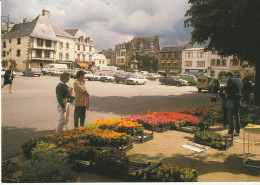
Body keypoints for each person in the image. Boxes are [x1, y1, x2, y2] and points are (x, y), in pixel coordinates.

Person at [225, 72, 243, 136]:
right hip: (238, 100)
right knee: (237, 115)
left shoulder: (230, 80)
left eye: (226, 77)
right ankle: (237, 131)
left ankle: (230, 132)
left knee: (231, 116)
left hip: (232, 99)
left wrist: (226, 94)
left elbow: (228, 90)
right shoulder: (239, 80)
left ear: (228, 76)